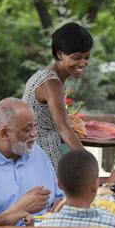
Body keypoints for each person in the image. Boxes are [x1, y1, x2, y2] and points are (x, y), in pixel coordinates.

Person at [0, 97, 63, 219]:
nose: (34, 133)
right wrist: (19, 209)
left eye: (35, 126)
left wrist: (60, 204)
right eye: (27, 129)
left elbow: (59, 196)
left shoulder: (36, 151)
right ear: (5, 134)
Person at [22, 22, 93, 170]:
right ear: (59, 54)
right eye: (76, 57)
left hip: (36, 152)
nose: (83, 63)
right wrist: (89, 161)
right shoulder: (51, 82)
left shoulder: (48, 76)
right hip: (42, 156)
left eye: (87, 57)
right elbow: (63, 128)